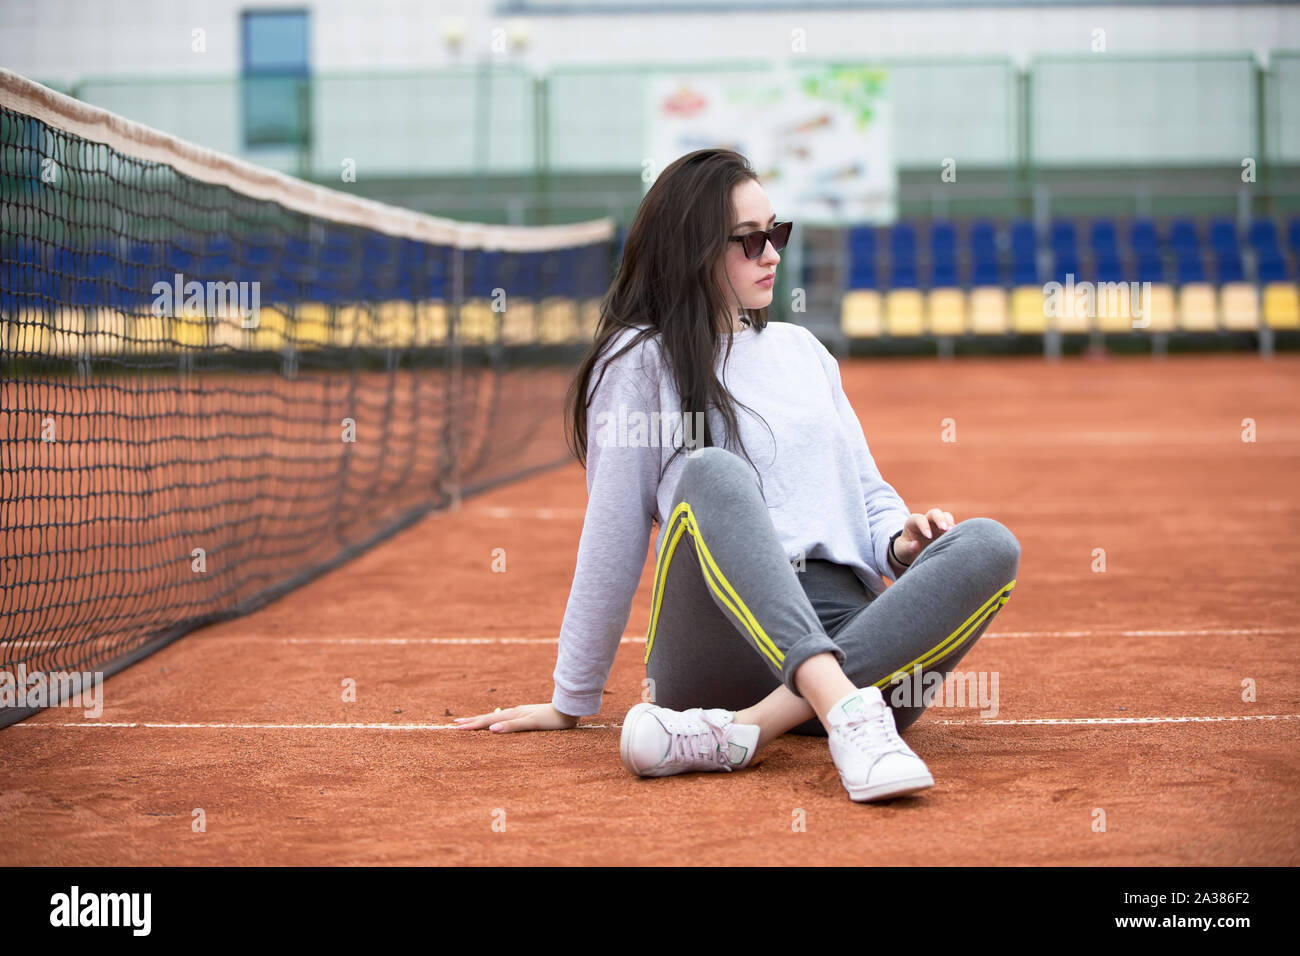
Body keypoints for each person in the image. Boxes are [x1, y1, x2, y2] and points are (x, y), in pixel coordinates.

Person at [454, 148, 1021, 802]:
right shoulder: (638, 359)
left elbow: (867, 495)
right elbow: (612, 532)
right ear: (692, 251)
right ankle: (846, 712)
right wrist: (571, 698)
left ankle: (757, 727)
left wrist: (901, 541)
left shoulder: (805, 353)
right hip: (718, 644)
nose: (772, 254)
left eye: (776, 233)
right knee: (713, 472)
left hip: (852, 640)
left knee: (988, 545)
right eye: (750, 241)